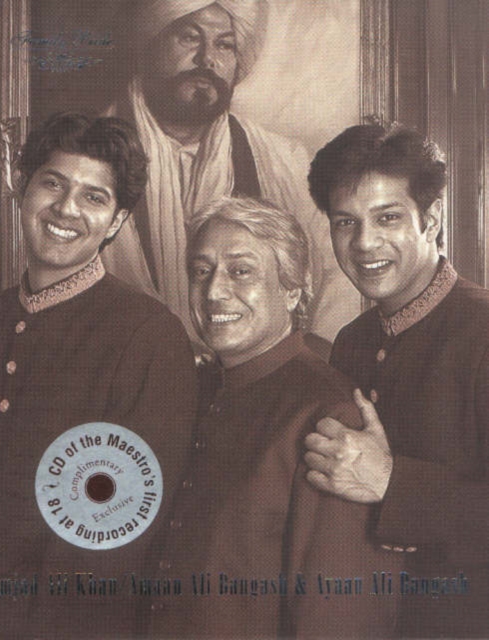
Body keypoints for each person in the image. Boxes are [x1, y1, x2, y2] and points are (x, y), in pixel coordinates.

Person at [0, 113, 197, 639]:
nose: (67, 209)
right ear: (21, 188)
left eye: (94, 197)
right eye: (53, 183)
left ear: (116, 222)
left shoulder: (148, 337)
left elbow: (114, 536)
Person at [147, 196, 400, 639]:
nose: (213, 291)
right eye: (201, 271)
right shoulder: (197, 393)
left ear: (291, 290)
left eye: (241, 271)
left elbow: (337, 620)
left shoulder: (331, 417)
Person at [304, 123, 489, 638]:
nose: (365, 243)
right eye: (346, 222)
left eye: (387, 217)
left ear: (431, 220)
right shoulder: (353, 340)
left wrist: (392, 482)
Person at [103, 0, 359, 342]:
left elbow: (337, 272)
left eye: (225, 45)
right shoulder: (90, 155)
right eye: (189, 38)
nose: (207, 59)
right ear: (151, 42)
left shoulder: (284, 161)